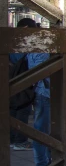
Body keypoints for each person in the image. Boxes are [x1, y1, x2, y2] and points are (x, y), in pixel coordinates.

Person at [9, 18, 37, 151]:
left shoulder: (9, 39)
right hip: (21, 80)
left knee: (12, 109)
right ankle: (20, 141)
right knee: (22, 108)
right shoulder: (21, 42)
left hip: (10, 80)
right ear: (26, 28)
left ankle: (11, 139)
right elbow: (21, 60)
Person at [28, 50, 52, 166]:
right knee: (42, 130)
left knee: (44, 129)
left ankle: (45, 162)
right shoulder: (41, 51)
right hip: (45, 93)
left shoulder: (31, 51)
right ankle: (42, 165)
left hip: (41, 92)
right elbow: (41, 73)